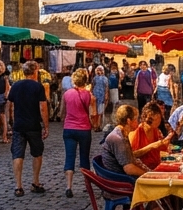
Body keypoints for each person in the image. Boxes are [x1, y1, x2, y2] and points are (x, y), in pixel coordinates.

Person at [7, 60, 49, 196]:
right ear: (35, 71)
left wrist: (10, 121)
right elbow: (43, 108)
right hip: (33, 125)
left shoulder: (16, 86)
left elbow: (9, 105)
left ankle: (18, 186)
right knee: (37, 153)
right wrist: (46, 126)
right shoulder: (38, 87)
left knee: (18, 154)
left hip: (19, 125)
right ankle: (35, 182)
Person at [61, 69, 96, 198]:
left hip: (69, 128)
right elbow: (92, 112)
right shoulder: (88, 95)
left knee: (69, 157)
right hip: (84, 129)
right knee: (84, 157)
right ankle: (87, 185)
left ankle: (68, 186)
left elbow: (62, 112)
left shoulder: (67, 94)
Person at [99, 104, 149, 178]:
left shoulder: (122, 133)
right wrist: (147, 175)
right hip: (120, 179)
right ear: (128, 121)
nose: (138, 122)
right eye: (135, 119)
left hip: (122, 176)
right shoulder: (118, 138)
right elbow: (129, 169)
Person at [130, 103, 171, 169]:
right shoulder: (136, 132)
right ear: (148, 119)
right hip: (143, 170)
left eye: (159, 117)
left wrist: (166, 142)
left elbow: (162, 148)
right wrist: (150, 146)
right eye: (157, 118)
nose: (159, 121)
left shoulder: (156, 130)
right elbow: (131, 155)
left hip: (156, 167)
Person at [90, 65, 109, 132]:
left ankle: (99, 125)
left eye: (100, 70)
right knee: (95, 112)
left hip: (102, 96)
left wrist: (106, 95)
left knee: (100, 112)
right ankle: (95, 125)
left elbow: (106, 88)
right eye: (98, 70)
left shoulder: (105, 79)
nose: (99, 71)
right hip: (95, 96)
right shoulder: (94, 78)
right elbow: (92, 86)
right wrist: (91, 94)